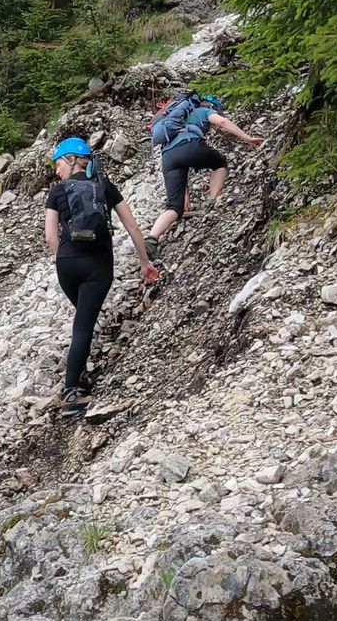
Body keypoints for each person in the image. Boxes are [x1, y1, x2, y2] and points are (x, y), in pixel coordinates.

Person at [44, 137, 160, 418]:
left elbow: (49, 236)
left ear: (71, 160)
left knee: (82, 320)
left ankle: (78, 376)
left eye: (58, 164)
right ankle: (70, 392)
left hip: (68, 264)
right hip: (98, 265)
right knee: (83, 325)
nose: (57, 171)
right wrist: (145, 262)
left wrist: (64, 258)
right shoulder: (104, 186)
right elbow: (131, 225)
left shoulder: (57, 192)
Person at [144, 93, 265, 258]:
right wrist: (248, 138)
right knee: (219, 164)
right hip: (191, 145)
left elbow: (180, 160)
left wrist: (184, 194)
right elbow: (222, 122)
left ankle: (151, 240)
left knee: (174, 207)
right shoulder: (203, 111)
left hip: (168, 158)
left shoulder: (172, 119)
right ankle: (213, 201)